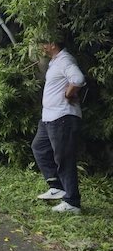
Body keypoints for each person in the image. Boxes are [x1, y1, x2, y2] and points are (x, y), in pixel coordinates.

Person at [32, 37, 85, 214]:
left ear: (53, 44)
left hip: (62, 117)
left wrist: (69, 95)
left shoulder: (65, 60)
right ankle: (57, 187)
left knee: (64, 158)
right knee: (39, 147)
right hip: (49, 117)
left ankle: (72, 202)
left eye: (43, 44)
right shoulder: (55, 62)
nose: (42, 47)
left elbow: (77, 79)